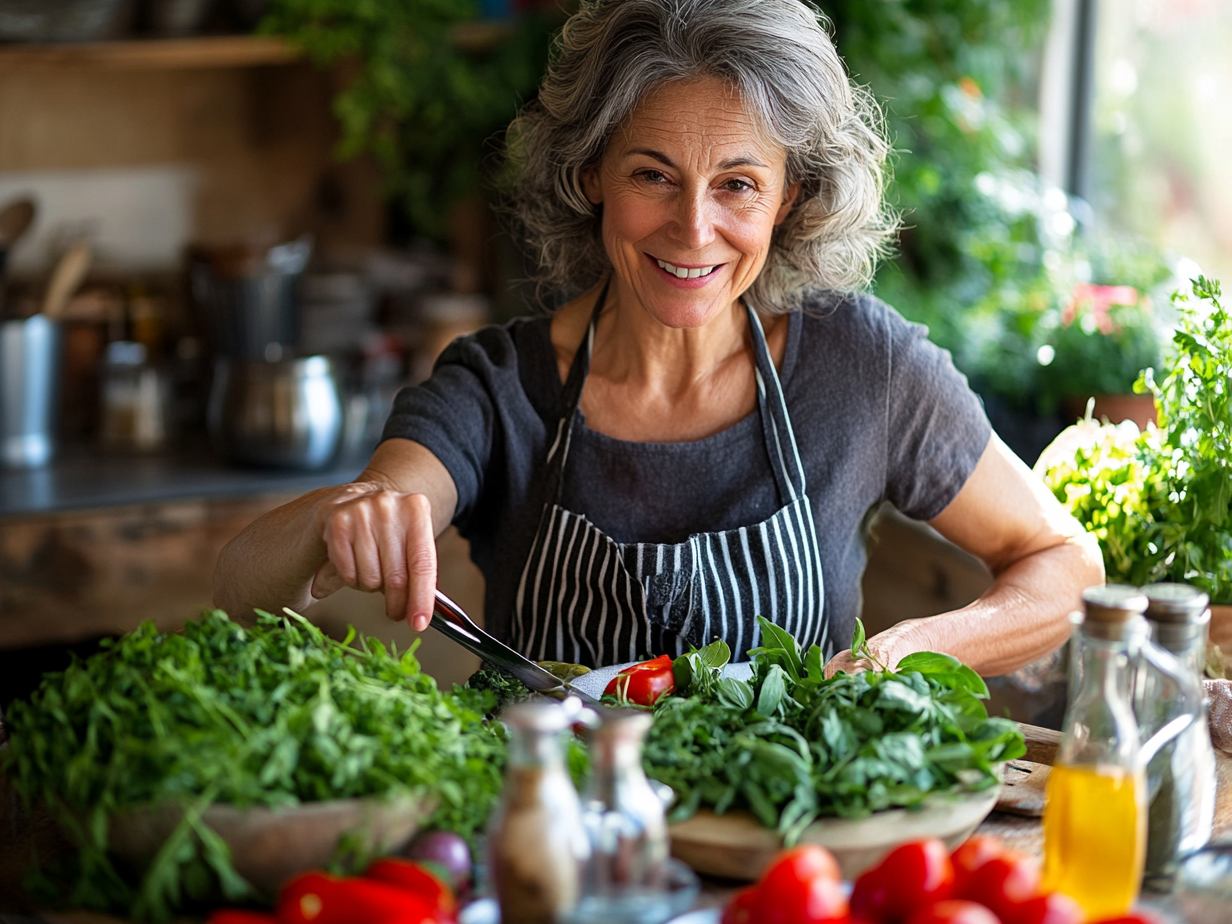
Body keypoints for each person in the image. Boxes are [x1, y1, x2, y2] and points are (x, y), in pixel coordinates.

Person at [214, 0, 1103, 676]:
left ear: (791, 197)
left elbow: (1064, 561)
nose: (692, 227)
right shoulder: (497, 390)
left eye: (738, 185)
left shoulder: (863, 368)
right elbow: (242, 583)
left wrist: (909, 653)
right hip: (556, 868)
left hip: (790, 886)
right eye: (653, 174)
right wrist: (350, 517)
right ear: (591, 172)